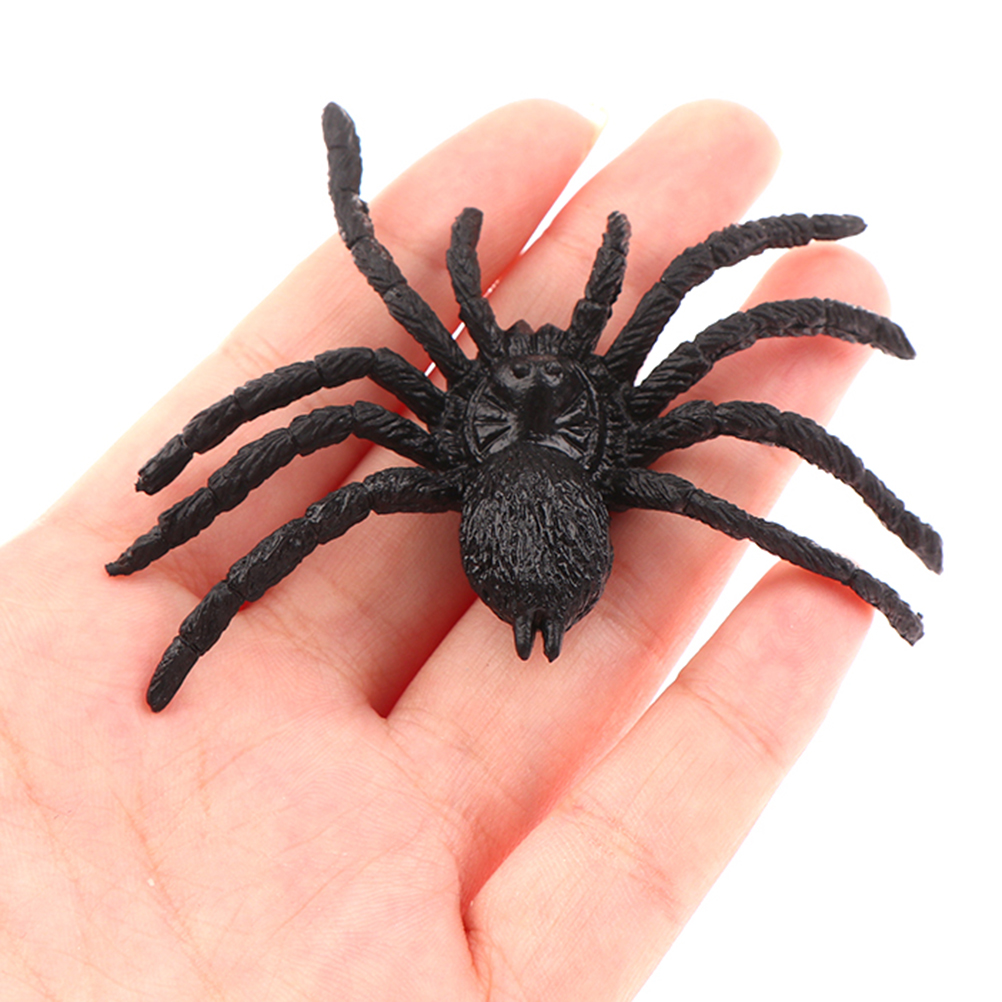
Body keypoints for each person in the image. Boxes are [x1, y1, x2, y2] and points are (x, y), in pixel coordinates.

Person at [0, 98, 883, 998]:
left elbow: (328, 365)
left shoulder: (446, 414)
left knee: (336, 409)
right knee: (717, 362)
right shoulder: (627, 411)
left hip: (529, 510)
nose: (534, 361)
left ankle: (172, 528)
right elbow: (712, 300)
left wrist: (174, 504)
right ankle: (875, 557)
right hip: (555, 509)